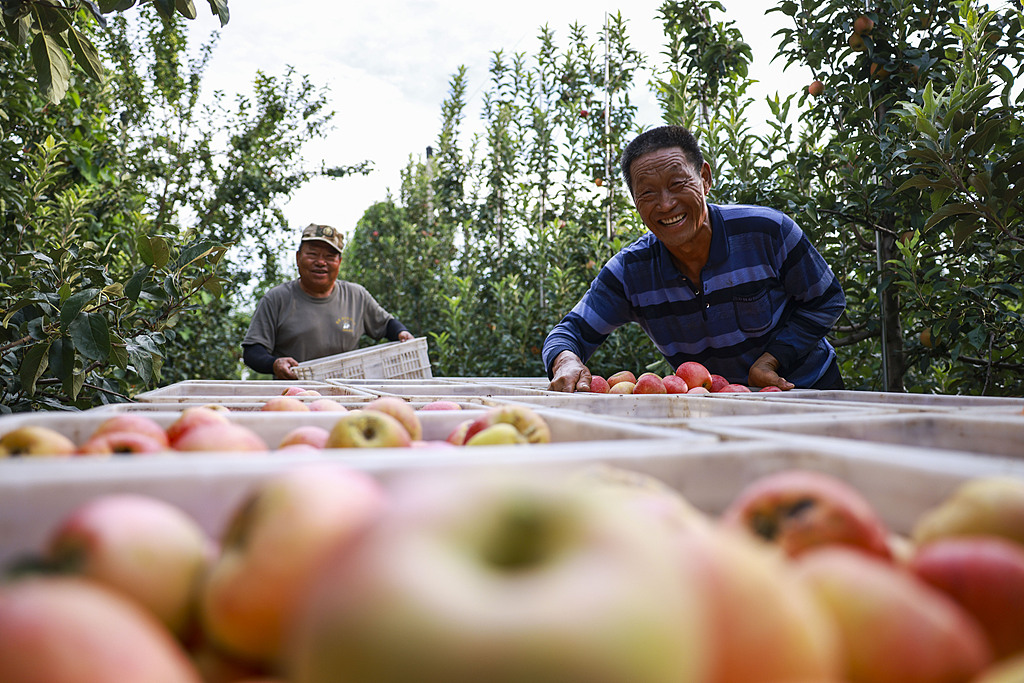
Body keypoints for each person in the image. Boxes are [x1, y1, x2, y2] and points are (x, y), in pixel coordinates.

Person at [543, 125, 846, 392]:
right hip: (718, 412)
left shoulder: (767, 231)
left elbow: (827, 299)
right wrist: (567, 361)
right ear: (635, 202)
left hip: (809, 393)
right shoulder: (631, 272)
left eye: (677, 184)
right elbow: (569, 332)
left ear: (705, 178)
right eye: (648, 193)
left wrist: (772, 359)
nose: (666, 204)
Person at [242, 223, 415, 379]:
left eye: (330, 257)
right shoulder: (277, 299)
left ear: (339, 262)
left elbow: (386, 325)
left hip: (346, 396)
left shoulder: (356, 296)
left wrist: (402, 333)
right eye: (312, 254)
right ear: (298, 258)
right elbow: (252, 351)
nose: (320, 262)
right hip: (294, 399)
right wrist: (274, 364)